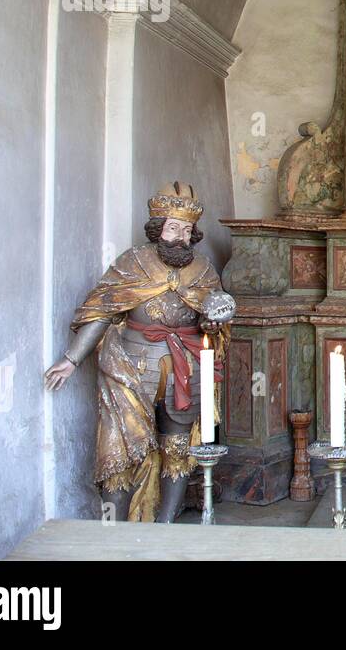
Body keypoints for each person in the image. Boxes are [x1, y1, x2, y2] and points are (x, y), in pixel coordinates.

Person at [43, 182, 235, 522]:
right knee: (120, 449)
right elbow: (103, 310)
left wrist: (213, 322)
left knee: (176, 448)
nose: (180, 237)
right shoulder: (133, 262)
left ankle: (165, 524)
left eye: (187, 230)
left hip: (185, 369)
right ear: (158, 228)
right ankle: (113, 528)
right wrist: (71, 359)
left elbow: (212, 319)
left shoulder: (203, 269)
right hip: (131, 368)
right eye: (173, 228)